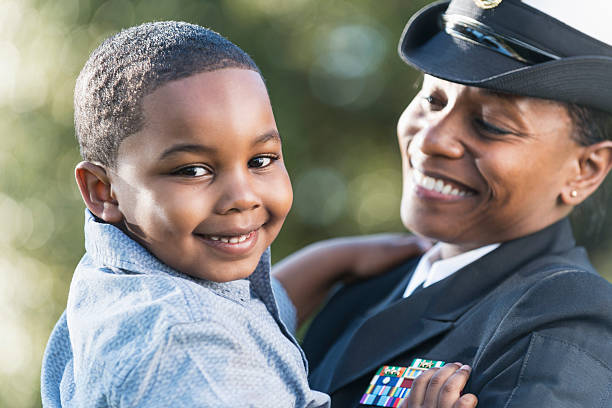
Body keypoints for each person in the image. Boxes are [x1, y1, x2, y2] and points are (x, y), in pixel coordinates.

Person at [39, 21, 434, 407]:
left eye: (261, 160)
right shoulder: (186, 351)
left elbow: (242, 307)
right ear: (102, 191)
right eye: (193, 170)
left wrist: (336, 261)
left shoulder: (122, 275)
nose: (242, 197)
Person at [273, 0, 612, 407]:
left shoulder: (564, 318)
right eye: (433, 100)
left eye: (490, 125)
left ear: (585, 169)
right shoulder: (368, 287)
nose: (430, 140)